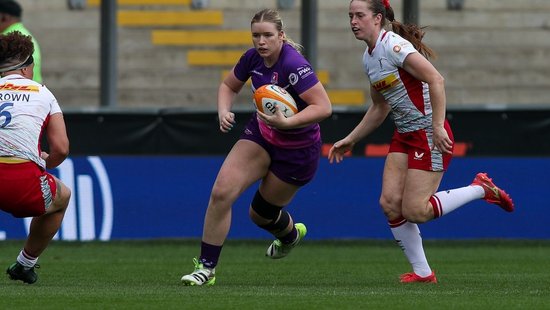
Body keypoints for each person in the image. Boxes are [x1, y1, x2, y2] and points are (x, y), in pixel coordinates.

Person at [328, 0, 514, 284]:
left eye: (359, 15)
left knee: (416, 211)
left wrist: (438, 126)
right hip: (404, 134)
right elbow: (380, 108)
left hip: (428, 133)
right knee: (390, 203)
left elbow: (436, 79)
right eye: (350, 15)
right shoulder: (369, 57)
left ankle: (480, 188)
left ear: (378, 18)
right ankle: (424, 274)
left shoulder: (394, 47)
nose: (353, 21)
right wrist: (350, 139)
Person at [180, 8, 332, 286]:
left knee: (260, 215)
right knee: (221, 192)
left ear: (281, 36)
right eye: (256, 36)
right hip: (261, 136)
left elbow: (324, 107)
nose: (261, 41)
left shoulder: (294, 65)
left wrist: (289, 123)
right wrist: (223, 111)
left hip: (297, 151)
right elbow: (228, 85)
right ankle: (206, 268)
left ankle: (289, 236)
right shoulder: (252, 58)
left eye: (267, 35)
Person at [0, 31, 71, 284]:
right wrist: (43, 162)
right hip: (22, 182)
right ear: (28, 66)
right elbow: (61, 148)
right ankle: (24, 264)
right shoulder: (43, 93)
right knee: (62, 197)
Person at [0, 0, 42, 83]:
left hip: (15, 90)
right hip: (30, 89)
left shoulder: (7, 39)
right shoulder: (24, 35)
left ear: (4, 17)